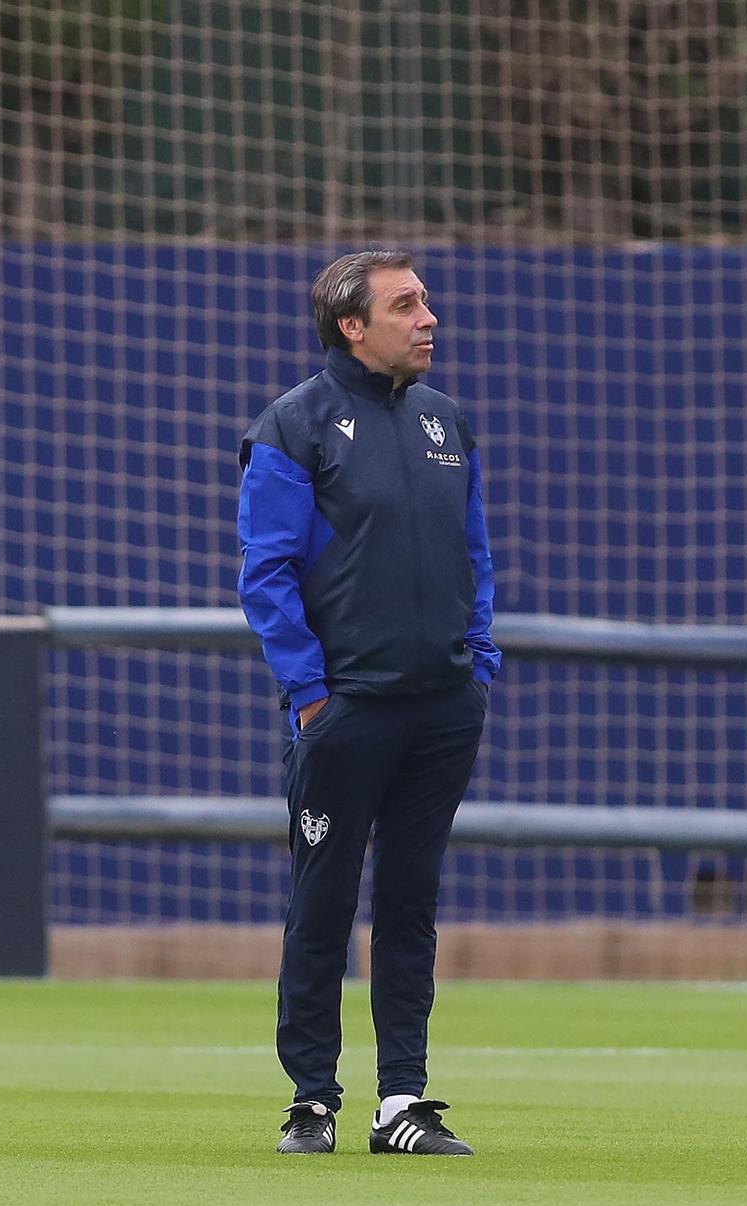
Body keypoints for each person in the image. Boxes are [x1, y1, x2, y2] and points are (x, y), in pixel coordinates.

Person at [237, 249, 499, 1157]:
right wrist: (311, 696)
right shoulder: (292, 427)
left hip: (441, 708)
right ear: (353, 325)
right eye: (407, 304)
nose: (430, 318)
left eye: (425, 301)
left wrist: (479, 663)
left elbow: (476, 557)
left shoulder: (446, 422)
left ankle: (404, 1103)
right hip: (344, 711)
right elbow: (265, 573)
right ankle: (312, 1101)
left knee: (411, 903)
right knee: (322, 902)